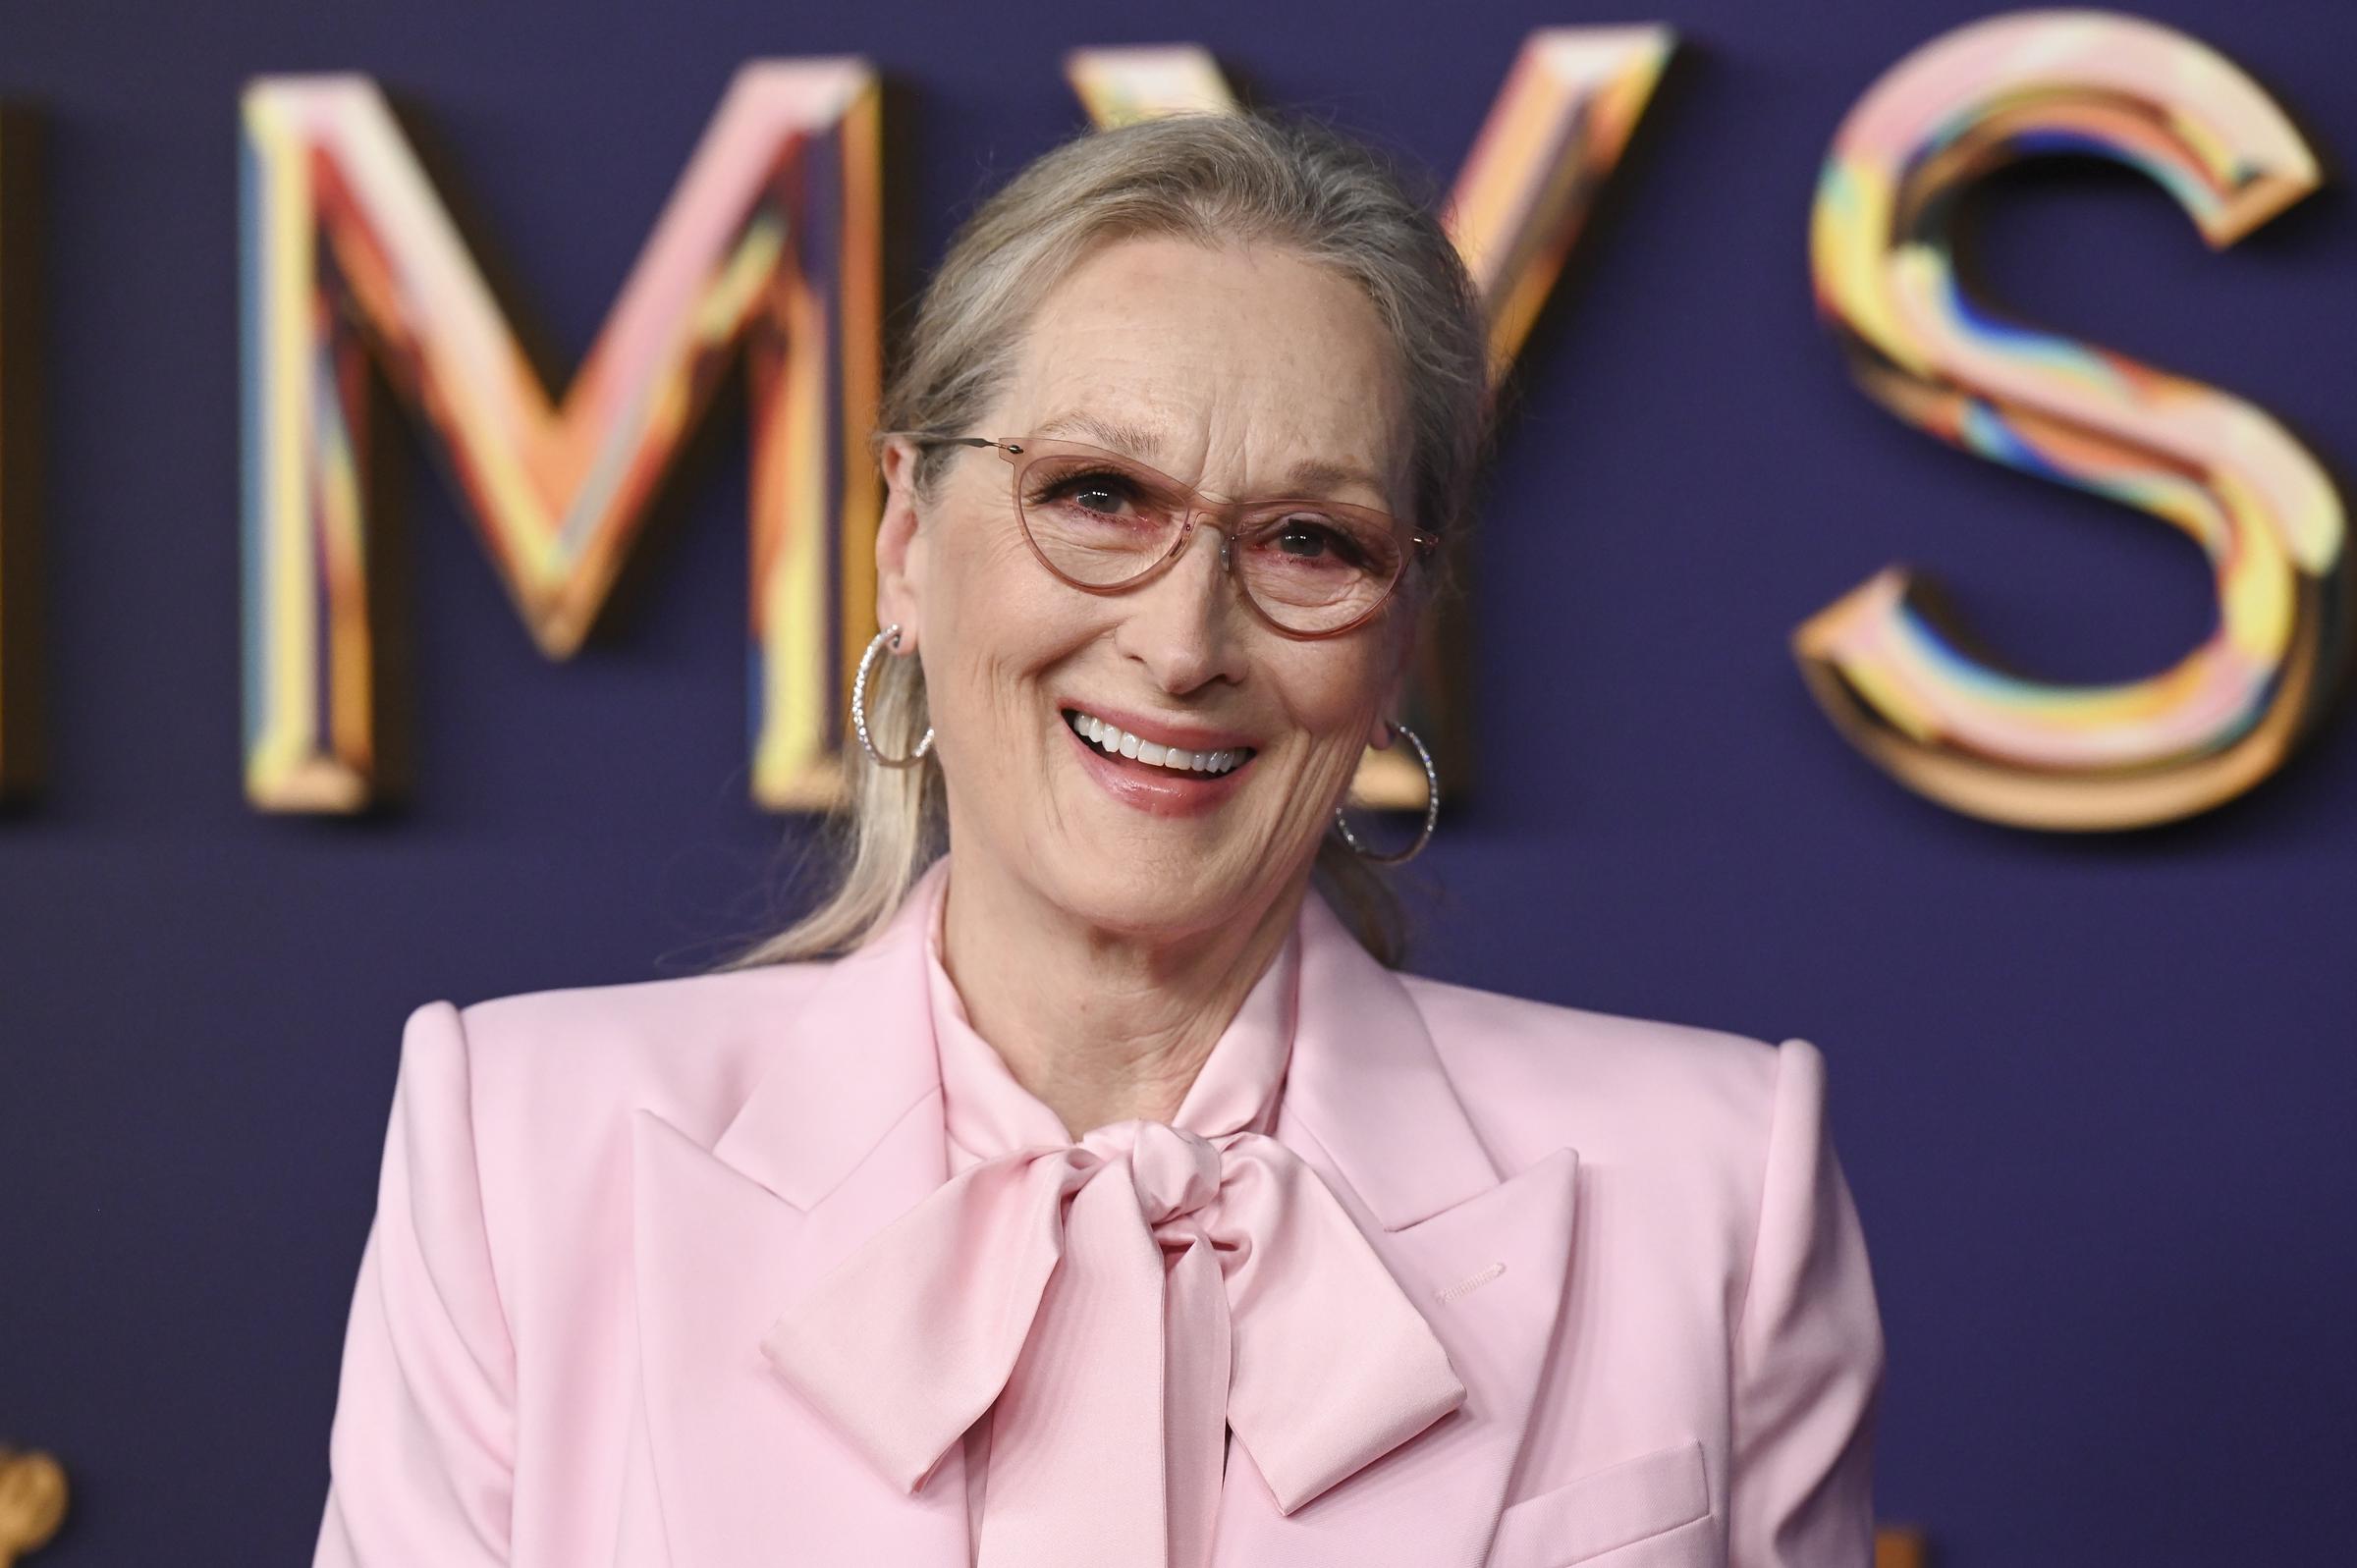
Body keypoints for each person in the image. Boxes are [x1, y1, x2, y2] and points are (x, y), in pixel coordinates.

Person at [311, 109, 1886, 1568]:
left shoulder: (1715, 1187)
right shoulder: (518, 1151)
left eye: (1308, 539)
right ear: (908, 544)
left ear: (1402, 628)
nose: (1186, 639)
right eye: (1101, 494)